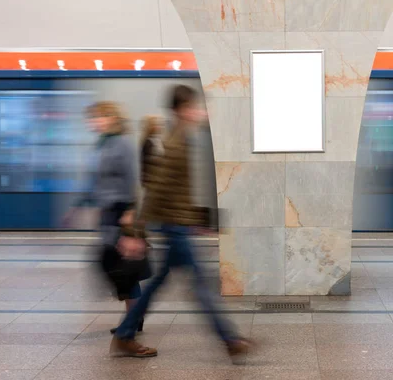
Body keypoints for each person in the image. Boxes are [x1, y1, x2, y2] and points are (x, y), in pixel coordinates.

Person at [110, 85, 254, 362]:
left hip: (178, 222)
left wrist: (200, 218)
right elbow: (155, 189)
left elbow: (181, 191)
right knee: (200, 286)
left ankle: (126, 334)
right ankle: (231, 340)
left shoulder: (186, 138)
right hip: (173, 226)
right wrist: (135, 232)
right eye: (192, 107)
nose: (198, 112)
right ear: (180, 110)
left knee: (158, 283)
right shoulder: (174, 143)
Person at [63, 101, 146, 332]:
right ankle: (134, 316)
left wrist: (130, 211)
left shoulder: (123, 144)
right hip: (107, 213)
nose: (94, 122)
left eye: (98, 117)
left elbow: (132, 179)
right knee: (122, 266)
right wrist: (77, 206)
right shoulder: (102, 145)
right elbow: (94, 181)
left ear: (112, 117)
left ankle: (133, 316)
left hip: (120, 213)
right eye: (92, 118)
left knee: (118, 265)